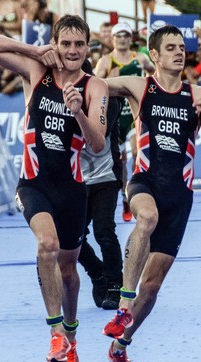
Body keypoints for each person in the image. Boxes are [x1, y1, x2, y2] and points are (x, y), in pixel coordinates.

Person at [0, 14, 107, 362]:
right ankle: (54, 333)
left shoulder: (94, 86)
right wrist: (34, 49)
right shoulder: (36, 71)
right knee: (46, 246)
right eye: (65, 43)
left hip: (72, 192)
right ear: (55, 44)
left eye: (79, 44)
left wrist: (79, 111)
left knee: (68, 270)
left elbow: (96, 145)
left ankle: (71, 334)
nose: (72, 51)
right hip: (33, 185)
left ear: (87, 47)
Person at [101, 25, 201, 362]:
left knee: (154, 286)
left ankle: (120, 346)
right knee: (146, 218)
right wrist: (52, 62)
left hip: (180, 194)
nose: (178, 52)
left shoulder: (199, 93)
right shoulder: (139, 87)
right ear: (154, 55)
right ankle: (124, 304)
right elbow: (93, 85)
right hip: (144, 181)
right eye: (170, 47)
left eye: (181, 47)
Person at [94, 22, 154, 223]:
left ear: (131, 39)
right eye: (118, 35)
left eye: (126, 35)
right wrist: (106, 81)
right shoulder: (105, 61)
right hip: (115, 117)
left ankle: (140, 190)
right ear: (112, 38)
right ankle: (126, 196)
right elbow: (92, 87)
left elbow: (156, 75)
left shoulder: (141, 58)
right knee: (120, 162)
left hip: (134, 115)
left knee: (137, 151)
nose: (122, 39)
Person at [77, 60, 124, 311]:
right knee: (70, 237)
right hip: (76, 179)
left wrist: (74, 110)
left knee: (104, 231)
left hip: (105, 176)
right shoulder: (58, 97)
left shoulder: (106, 98)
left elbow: (96, 135)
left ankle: (116, 284)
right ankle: (97, 273)